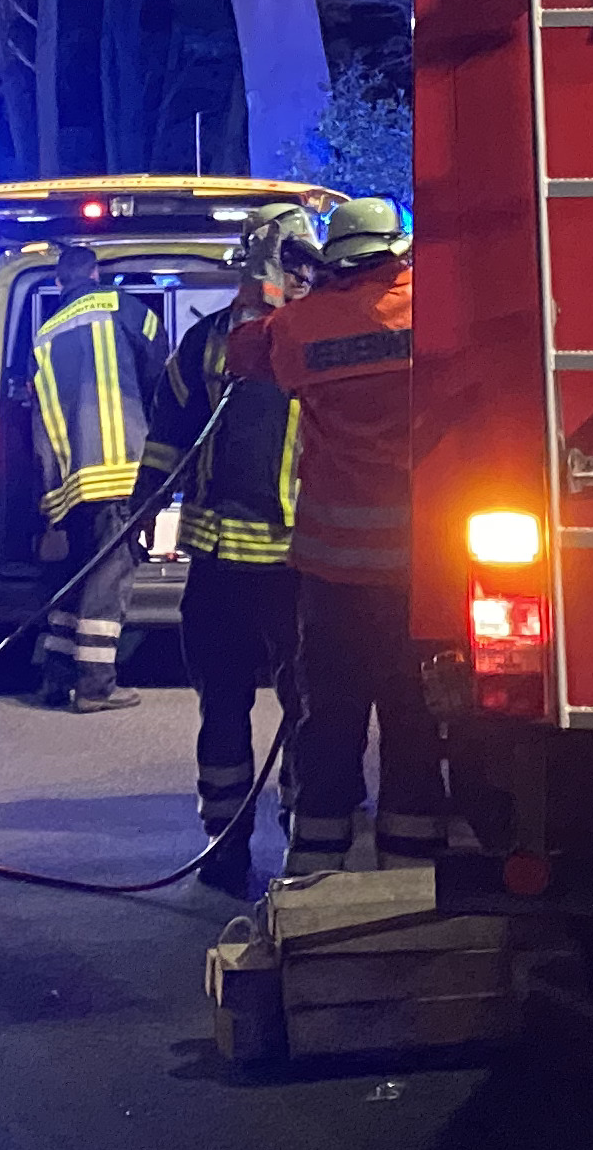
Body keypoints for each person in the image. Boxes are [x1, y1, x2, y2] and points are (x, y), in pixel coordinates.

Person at [253, 197, 448, 872]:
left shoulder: (300, 325)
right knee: (413, 716)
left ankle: (315, 862)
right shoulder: (431, 310)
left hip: (331, 574)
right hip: (419, 570)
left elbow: (243, 352)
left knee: (329, 718)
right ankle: (411, 866)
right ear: (396, 249)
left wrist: (267, 282)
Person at [158, 209, 313, 891]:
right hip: (264, 563)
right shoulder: (219, 342)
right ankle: (241, 843)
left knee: (290, 709)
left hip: (278, 563)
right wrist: (144, 499)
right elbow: (170, 431)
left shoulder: (227, 340)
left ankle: (289, 840)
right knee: (260, 708)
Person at [23, 241, 155, 712]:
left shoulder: (44, 334)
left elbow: (37, 416)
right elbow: (162, 372)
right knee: (108, 576)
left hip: (70, 479)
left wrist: (48, 498)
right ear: (95, 274)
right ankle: (97, 686)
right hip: (120, 469)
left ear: (60, 282)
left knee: (73, 576)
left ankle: (56, 677)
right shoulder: (125, 307)